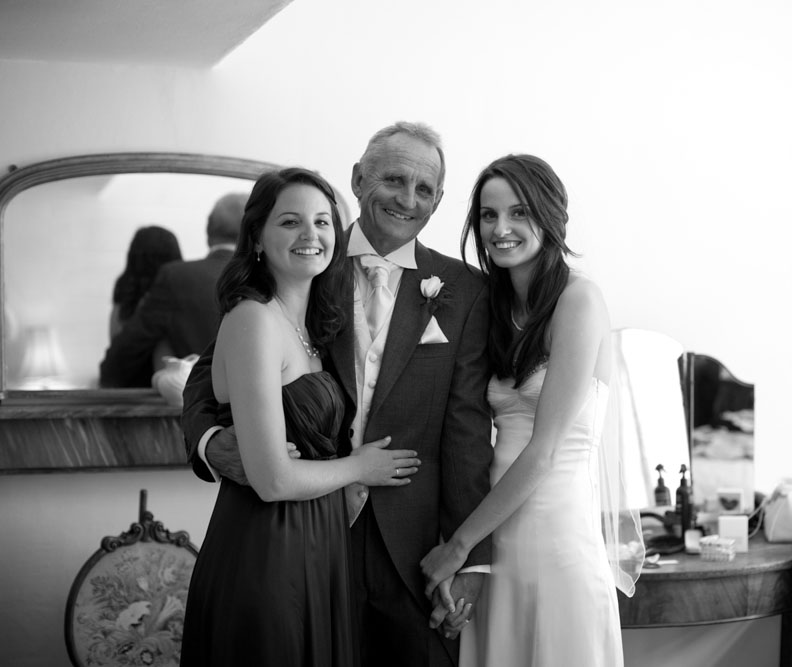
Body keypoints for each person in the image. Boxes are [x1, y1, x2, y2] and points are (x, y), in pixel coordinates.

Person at [180, 122, 494, 666]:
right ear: (358, 179)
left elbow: (467, 433)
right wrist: (210, 442)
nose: (406, 199)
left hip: (413, 554)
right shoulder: (308, 262)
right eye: (393, 179)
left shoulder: (464, 290)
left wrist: (469, 562)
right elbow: (207, 376)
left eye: (424, 189)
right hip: (304, 542)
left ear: (439, 200)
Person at [420, 154, 637, 667]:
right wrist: (474, 556)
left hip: (557, 538)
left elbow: (542, 452)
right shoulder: (490, 305)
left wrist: (458, 545)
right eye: (489, 216)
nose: (501, 229)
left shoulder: (579, 302)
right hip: (498, 538)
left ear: (551, 216)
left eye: (519, 213)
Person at [99, 192, 248, 388]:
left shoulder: (177, 277)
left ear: (209, 229)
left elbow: (121, 358)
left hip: (196, 408)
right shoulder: (277, 279)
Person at [105, 225, 182, 386]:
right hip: (167, 383)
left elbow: (115, 340)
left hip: (127, 383)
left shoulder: (125, 290)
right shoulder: (173, 293)